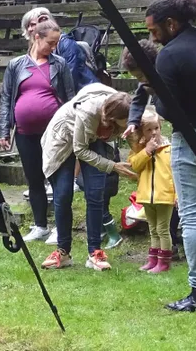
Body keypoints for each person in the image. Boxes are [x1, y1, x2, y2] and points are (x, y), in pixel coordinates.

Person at [143, 0, 196, 312]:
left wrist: (156, 95)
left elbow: (169, 109)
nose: (152, 37)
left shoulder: (169, 56)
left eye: (154, 30)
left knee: (193, 217)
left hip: (195, 137)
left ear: (171, 23)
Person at [40, 83, 135, 271]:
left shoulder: (123, 105)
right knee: (63, 194)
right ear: (113, 117)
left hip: (93, 140)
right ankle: (63, 252)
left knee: (95, 194)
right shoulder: (89, 112)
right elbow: (80, 150)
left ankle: (95, 254)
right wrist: (113, 166)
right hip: (64, 139)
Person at [0, 19, 75, 243]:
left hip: (55, 135)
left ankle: (60, 229)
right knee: (34, 180)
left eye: (56, 43)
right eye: (50, 43)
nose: (53, 47)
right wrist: (4, 131)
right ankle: (40, 226)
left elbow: (70, 97)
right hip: (25, 133)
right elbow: (6, 99)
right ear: (37, 37)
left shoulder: (59, 64)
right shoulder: (16, 65)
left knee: (57, 180)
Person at [127, 108, 176, 274]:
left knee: (163, 229)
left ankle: (164, 262)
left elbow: (176, 172)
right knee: (153, 229)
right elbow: (135, 166)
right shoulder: (140, 150)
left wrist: (176, 194)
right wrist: (146, 151)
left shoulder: (169, 148)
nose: (154, 132)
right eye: (149, 129)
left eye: (156, 128)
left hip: (164, 195)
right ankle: (153, 260)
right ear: (142, 131)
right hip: (147, 196)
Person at [21, 7, 98, 91]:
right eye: (27, 26)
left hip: (85, 93)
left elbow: (70, 78)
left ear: (44, 22)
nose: (29, 29)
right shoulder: (37, 48)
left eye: (32, 24)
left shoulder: (66, 44)